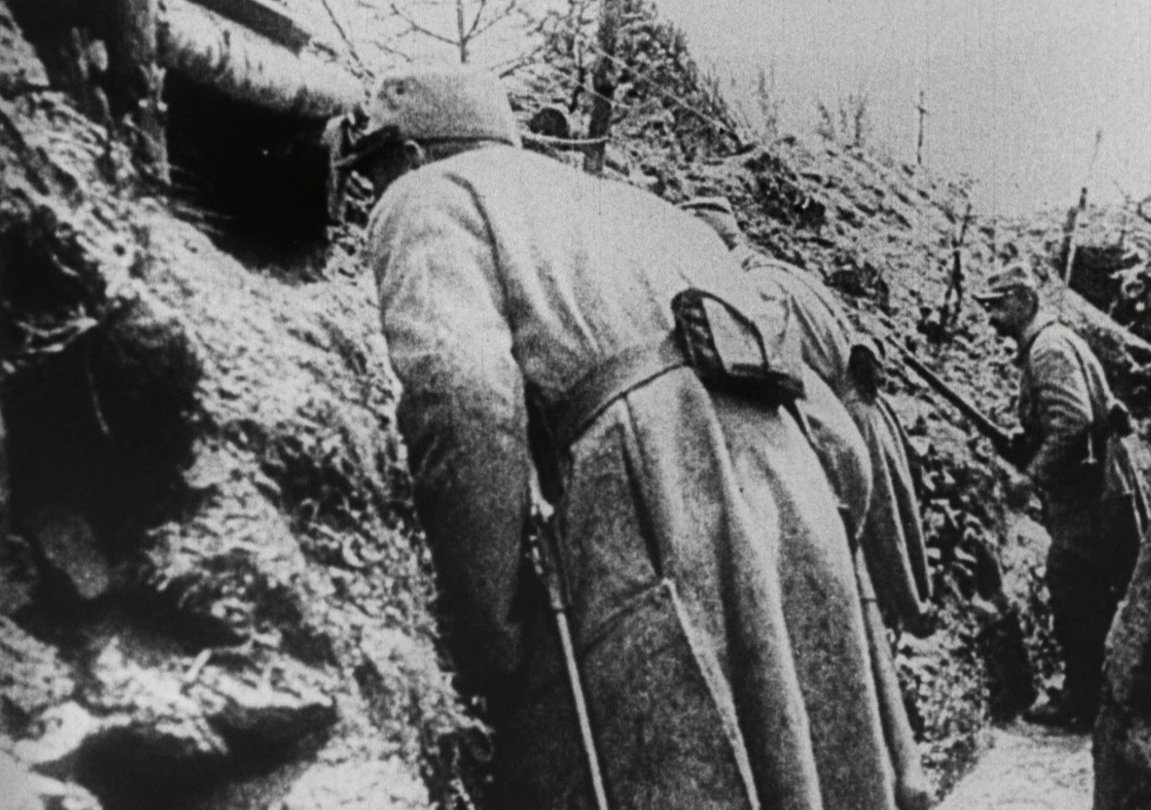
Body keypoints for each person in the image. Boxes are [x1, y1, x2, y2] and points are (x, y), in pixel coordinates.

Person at [358, 66, 901, 810]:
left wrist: (490, 628)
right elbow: (837, 438)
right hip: (796, 498)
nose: (371, 191)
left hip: (659, 502)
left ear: (411, 154)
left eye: (374, 168)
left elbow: (463, 394)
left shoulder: (428, 194)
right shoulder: (650, 213)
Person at [681, 196, 931, 810]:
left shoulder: (759, 289)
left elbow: (784, 379)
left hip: (843, 425)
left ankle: (892, 733)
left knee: (871, 581)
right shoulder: (787, 271)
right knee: (884, 573)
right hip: (864, 417)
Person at [974, 264, 1148, 730]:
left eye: (998, 305)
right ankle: (1097, 692)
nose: (992, 318)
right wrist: (1028, 440)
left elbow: (1073, 421)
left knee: (1074, 595)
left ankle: (1082, 700)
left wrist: (1030, 477)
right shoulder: (1055, 342)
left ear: (1025, 300)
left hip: (1092, 501)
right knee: (1096, 595)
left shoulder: (1048, 349)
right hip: (1101, 493)